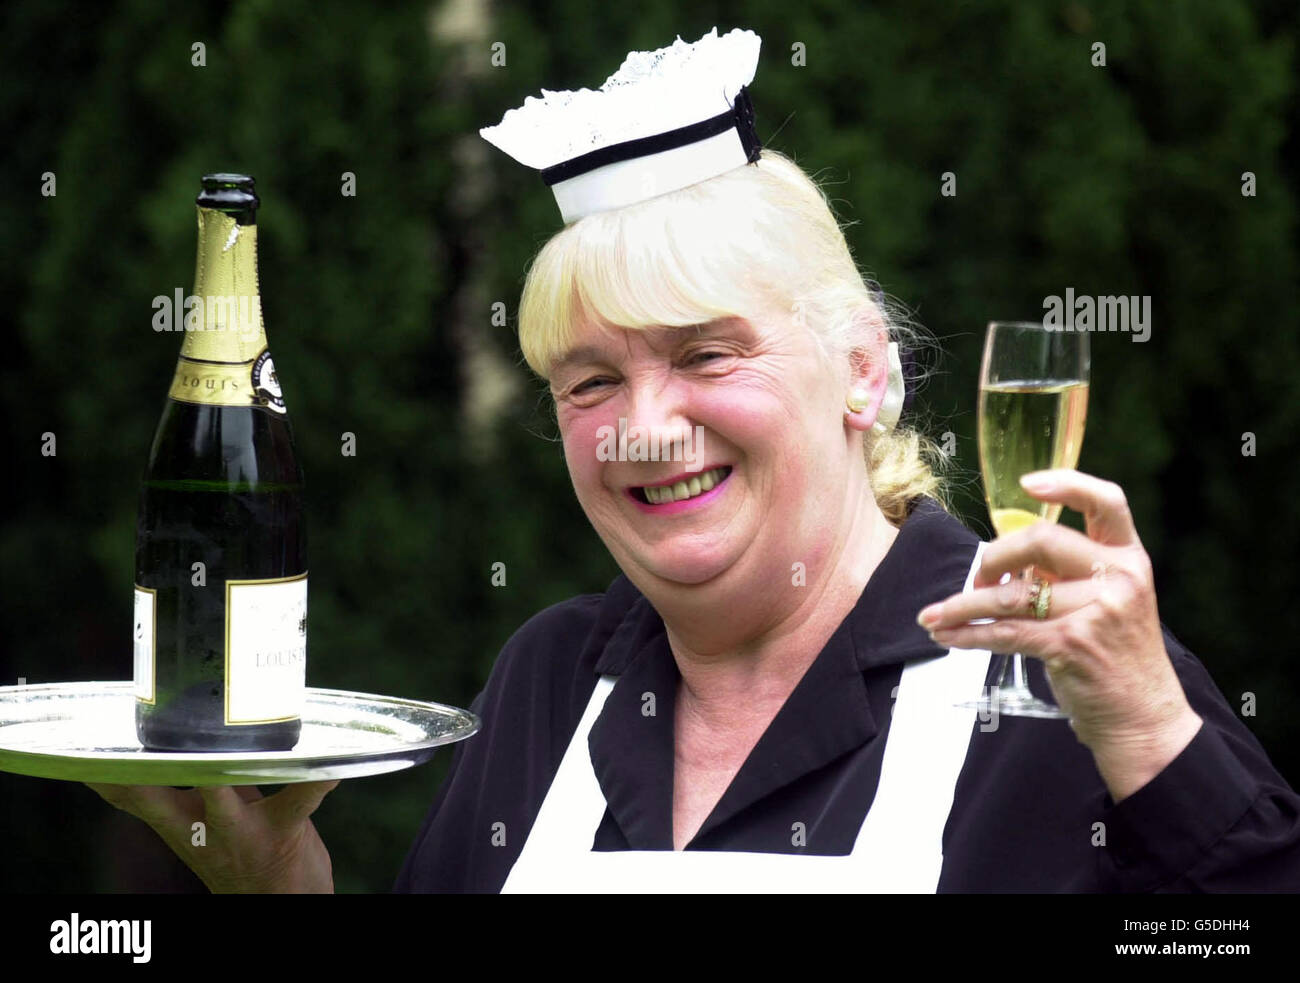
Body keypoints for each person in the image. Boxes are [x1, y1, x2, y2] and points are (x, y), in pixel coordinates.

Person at [90, 27, 1300, 893]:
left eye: (707, 354)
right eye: (592, 381)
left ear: (863, 372)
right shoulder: (554, 677)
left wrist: (1149, 733)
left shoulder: (1052, 678)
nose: (646, 427)